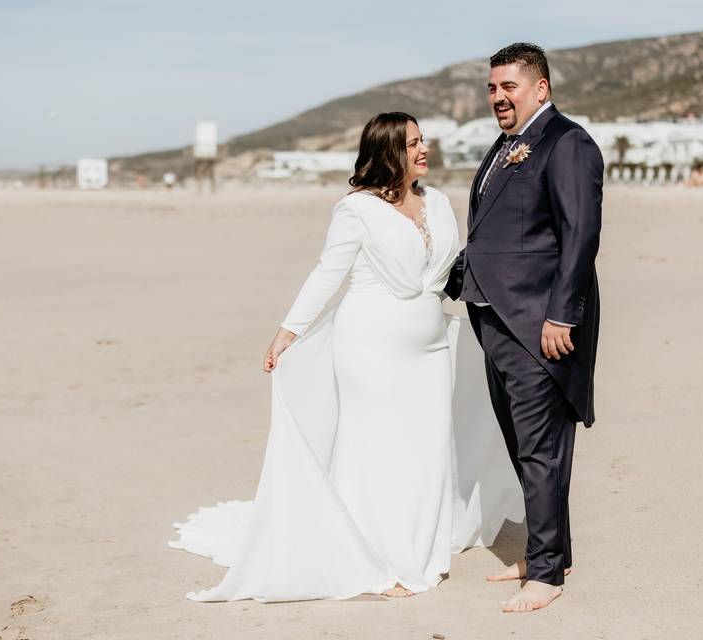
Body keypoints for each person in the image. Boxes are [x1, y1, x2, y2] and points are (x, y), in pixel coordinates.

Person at [169, 112, 523, 602]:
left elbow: (454, 270)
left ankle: (420, 548)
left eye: (423, 141)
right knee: (377, 450)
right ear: (387, 152)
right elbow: (327, 273)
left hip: (430, 350)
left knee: (426, 450)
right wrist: (287, 332)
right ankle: (380, 558)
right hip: (369, 349)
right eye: (412, 143)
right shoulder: (355, 210)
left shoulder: (438, 202)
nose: (424, 150)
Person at [445, 43, 604, 613]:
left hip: (539, 324)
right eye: (491, 88)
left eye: (508, 86)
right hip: (495, 319)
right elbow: (499, 230)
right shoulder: (505, 146)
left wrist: (562, 313)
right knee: (521, 445)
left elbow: (579, 234)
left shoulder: (567, 142)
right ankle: (550, 550)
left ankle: (545, 575)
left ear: (541, 88)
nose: (497, 98)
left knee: (541, 449)